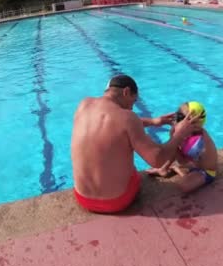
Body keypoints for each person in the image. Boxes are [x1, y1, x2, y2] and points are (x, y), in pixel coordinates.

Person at [71, 75, 201, 213]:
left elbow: (115, 122)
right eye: (133, 101)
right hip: (115, 202)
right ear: (126, 92)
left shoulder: (84, 104)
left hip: (82, 198)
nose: (132, 107)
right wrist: (179, 135)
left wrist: (153, 121)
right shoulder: (128, 118)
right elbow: (157, 159)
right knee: (130, 167)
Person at [146, 102, 218, 193]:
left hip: (205, 171)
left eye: (179, 116)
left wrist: (174, 137)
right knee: (173, 144)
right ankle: (163, 169)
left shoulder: (197, 143)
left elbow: (183, 161)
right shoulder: (188, 130)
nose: (175, 118)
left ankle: (176, 169)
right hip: (192, 160)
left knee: (183, 186)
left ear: (193, 122)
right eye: (177, 113)